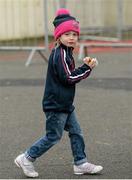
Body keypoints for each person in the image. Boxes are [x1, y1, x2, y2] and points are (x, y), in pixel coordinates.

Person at [14, 8, 103, 178]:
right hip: (55, 105)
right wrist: (87, 68)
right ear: (59, 36)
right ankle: (26, 157)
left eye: (75, 34)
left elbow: (67, 74)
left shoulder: (66, 53)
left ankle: (80, 163)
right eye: (67, 34)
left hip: (65, 104)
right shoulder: (59, 54)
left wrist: (83, 66)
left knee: (76, 132)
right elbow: (68, 78)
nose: (71, 37)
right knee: (53, 136)